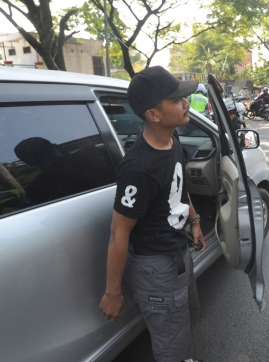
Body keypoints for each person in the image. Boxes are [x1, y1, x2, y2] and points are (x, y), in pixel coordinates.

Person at [99, 66, 206, 362]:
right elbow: (119, 232)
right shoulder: (138, 169)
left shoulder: (173, 140)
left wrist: (194, 221)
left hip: (177, 250)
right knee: (171, 340)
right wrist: (112, 292)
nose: (186, 104)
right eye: (176, 100)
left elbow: (179, 187)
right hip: (155, 266)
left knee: (185, 320)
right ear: (153, 115)